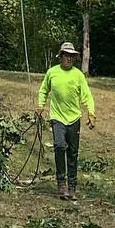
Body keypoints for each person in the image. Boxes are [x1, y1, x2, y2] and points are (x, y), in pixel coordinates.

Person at [38, 41, 96, 201]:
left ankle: (72, 187)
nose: (69, 59)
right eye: (66, 55)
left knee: (72, 152)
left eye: (72, 56)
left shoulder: (78, 75)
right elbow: (44, 89)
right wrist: (40, 106)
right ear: (61, 56)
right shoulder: (52, 72)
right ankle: (61, 184)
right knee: (59, 146)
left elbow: (87, 95)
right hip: (57, 118)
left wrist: (91, 113)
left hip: (73, 119)